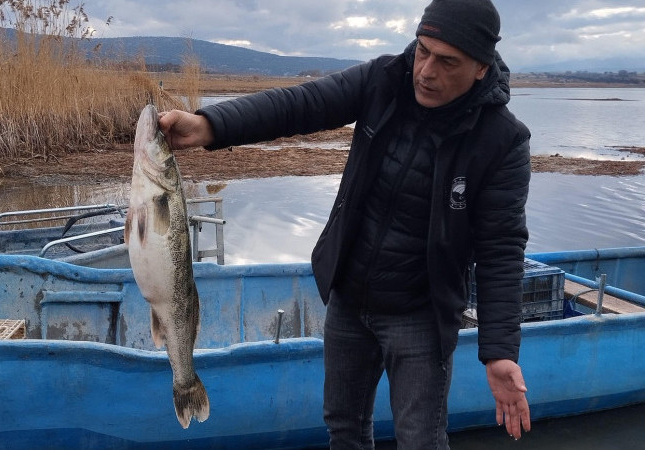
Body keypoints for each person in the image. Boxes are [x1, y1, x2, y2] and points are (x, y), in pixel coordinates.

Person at [158, 0, 532, 447]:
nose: (426, 70)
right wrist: (209, 125)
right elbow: (301, 104)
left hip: (421, 315)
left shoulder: (503, 140)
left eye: (446, 61)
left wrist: (500, 351)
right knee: (344, 427)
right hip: (349, 297)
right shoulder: (384, 80)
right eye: (422, 50)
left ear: (480, 68)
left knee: (420, 439)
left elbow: (501, 249)